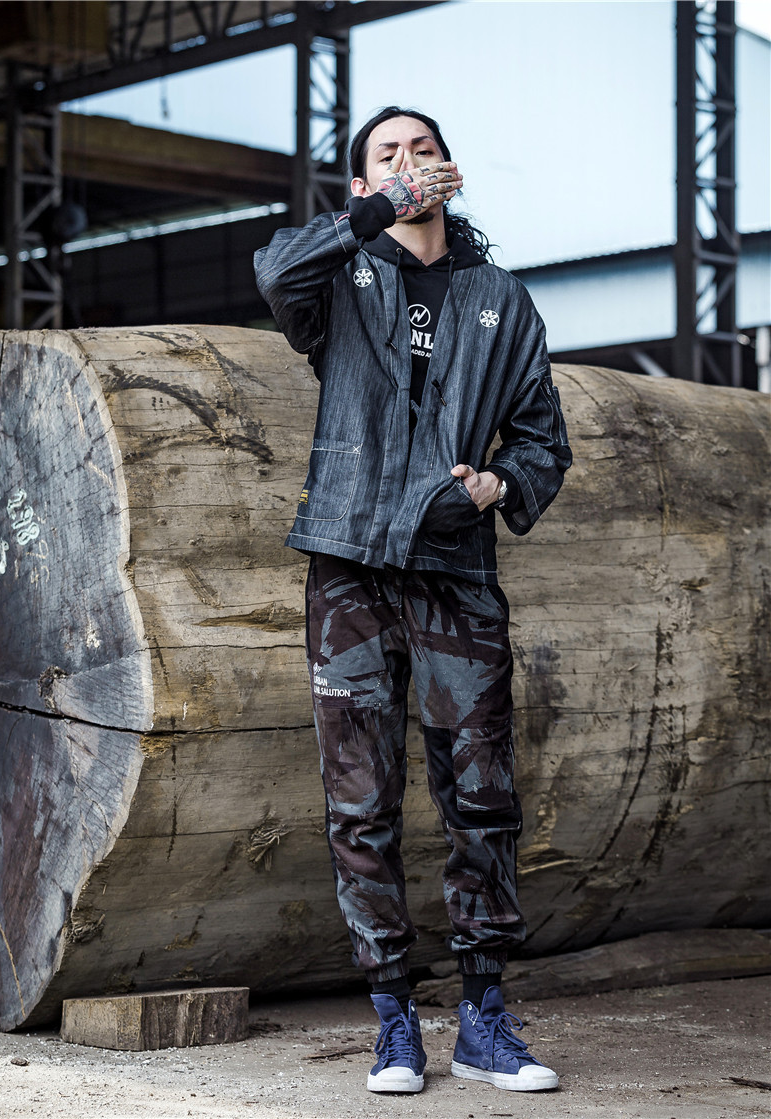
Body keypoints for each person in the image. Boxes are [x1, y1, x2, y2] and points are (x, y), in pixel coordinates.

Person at [254, 105, 572, 1096]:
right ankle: (392, 1019)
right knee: (361, 801)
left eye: (421, 150)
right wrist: (377, 212)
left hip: (455, 569)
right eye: (385, 156)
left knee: (482, 795)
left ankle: (483, 1019)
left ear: (452, 169)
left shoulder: (499, 297)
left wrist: (498, 484)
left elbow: (542, 439)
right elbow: (274, 271)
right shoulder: (338, 277)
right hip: (349, 563)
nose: (407, 163)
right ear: (362, 186)